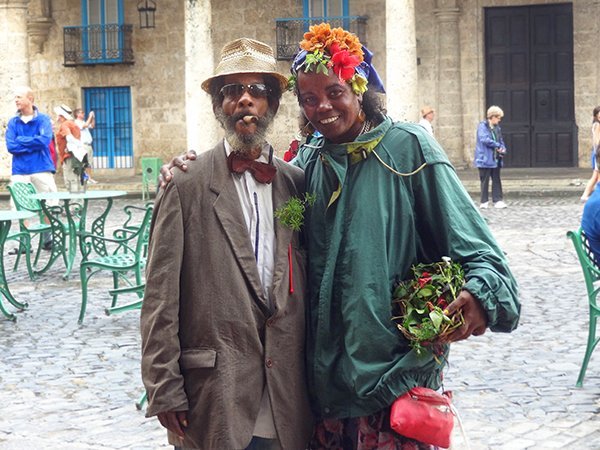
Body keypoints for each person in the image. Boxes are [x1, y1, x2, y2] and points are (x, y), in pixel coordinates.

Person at [162, 24, 520, 449]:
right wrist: (185, 169)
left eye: (335, 93)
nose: (323, 107)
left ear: (359, 89)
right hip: (323, 397)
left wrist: (480, 295)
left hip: (394, 384)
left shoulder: (407, 149)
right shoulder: (305, 167)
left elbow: (481, 254)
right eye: (310, 99)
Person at [140, 37, 313, 450]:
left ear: (271, 104)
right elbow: (159, 299)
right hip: (214, 395)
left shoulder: (297, 183)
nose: (245, 101)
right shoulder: (185, 183)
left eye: (257, 90)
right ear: (219, 106)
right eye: (232, 91)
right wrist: (164, 387)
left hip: (288, 396)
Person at [5, 86, 56, 253]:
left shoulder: (43, 120)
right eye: (15, 97)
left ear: (30, 99)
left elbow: (44, 141)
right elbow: (11, 146)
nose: (16, 100)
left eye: (19, 97)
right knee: (19, 206)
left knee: (48, 203)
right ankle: (24, 242)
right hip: (20, 169)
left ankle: (47, 239)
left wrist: (22, 141)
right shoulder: (13, 122)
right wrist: (31, 142)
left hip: (41, 167)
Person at [474, 105, 508, 209]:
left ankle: (497, 200)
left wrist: (503, 148)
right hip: (485, 158)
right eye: (498, 118)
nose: (499, 120)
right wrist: (497, 145)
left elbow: (500, 140)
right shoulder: (482, 127)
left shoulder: (497, 128)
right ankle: (484, 201)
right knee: (485, 180)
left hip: (495, 158)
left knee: (496, 179)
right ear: (492, 116)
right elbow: (484, 139)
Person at [54, 104, 87, 193]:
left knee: (71, 179)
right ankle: (78, 203)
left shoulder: (65, 124)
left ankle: (74, 204)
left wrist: (76, 146)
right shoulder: (73, 124)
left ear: (61, 116)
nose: (57, 117)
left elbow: (69, 137)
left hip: (69, 156)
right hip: (76, 155)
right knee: (77, 178)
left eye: (58, 115)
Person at [580, 106, 600, 202]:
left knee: (596, 176)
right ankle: (585, 195)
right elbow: (597, 140)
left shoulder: (596, 124)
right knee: (596, 176)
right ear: (596, 115)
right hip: (598, 153)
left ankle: (589, 194)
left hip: (597, 152)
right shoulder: (597, 125)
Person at [73, 108, 97, 184]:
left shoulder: (83, 121)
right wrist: (90, 116)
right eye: (81, 112)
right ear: (77, 114)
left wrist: (93, 117)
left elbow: (92, 126)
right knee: (85, 163)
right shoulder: (76, 122)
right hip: (83, 145)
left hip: (88, 145)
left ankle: (89, 178)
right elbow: (85, 125)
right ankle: (85, 178)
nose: (83, 114)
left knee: (89, 163)